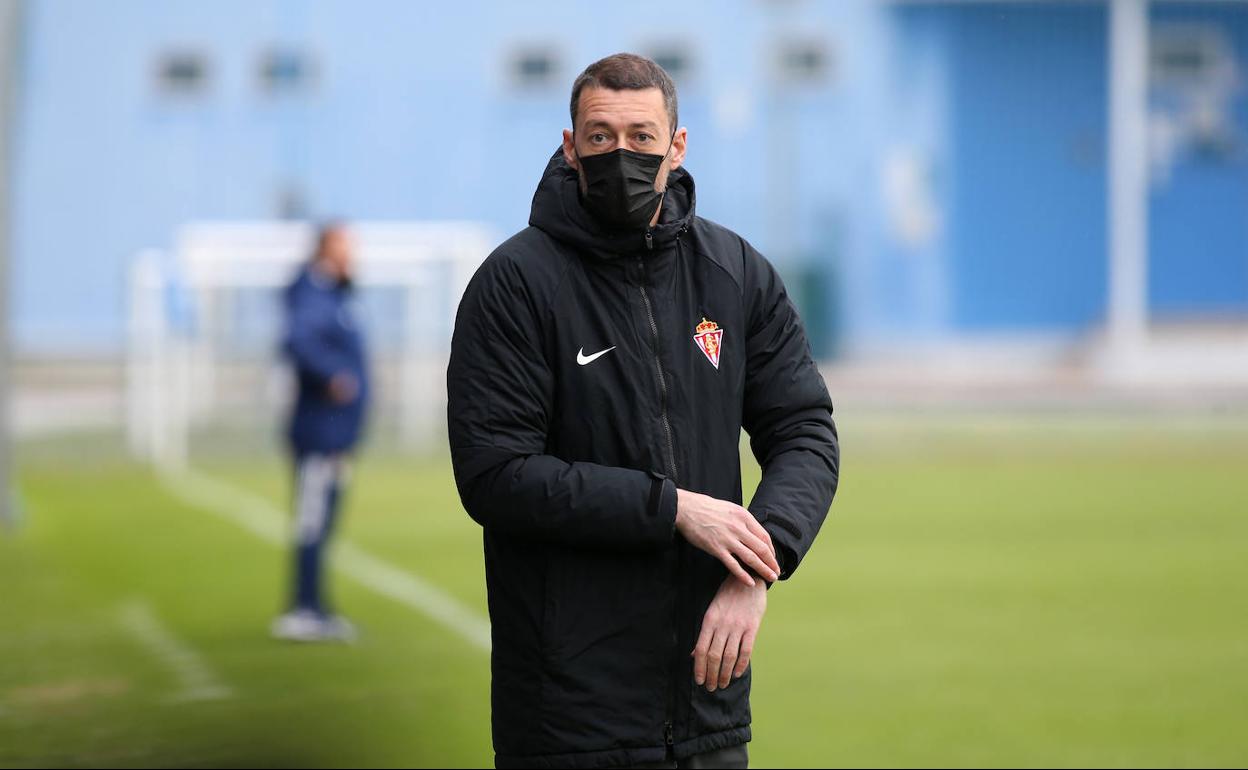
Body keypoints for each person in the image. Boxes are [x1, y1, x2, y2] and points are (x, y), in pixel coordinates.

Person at [447, 53, 839, 769]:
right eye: (600, 138)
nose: (620, 155)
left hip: (708, 709)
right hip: (568, 718)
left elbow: (805, 430)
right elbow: (495, 475)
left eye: (641, 137)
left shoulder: (736, 273)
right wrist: (672, 509)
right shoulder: (516, 283)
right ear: (570, 146)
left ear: (677, 145)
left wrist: (761, 562)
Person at [271, 223, 370, 643]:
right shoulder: (315, 295)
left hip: (336, 435)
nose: (354, 255)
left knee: (323, 522)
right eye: (347, 246)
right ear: (327, 251)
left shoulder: (333, 295)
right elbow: (296, 341)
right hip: (319, 434)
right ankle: (303, 609)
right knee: (312, 522)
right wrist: (334, 376)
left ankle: (316, 606)